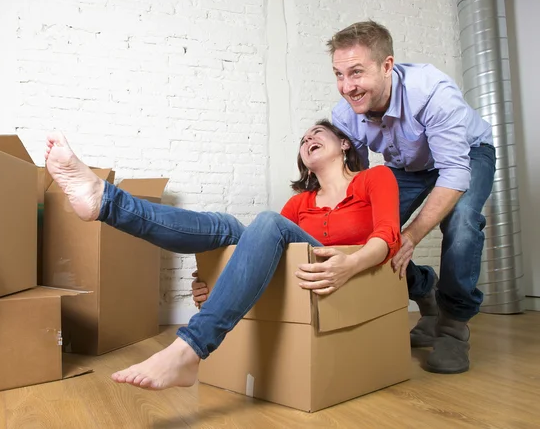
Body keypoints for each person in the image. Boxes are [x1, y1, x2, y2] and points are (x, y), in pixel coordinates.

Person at [44, 119, 401, 390]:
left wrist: (350, 264)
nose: (308, 139)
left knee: (268, 223)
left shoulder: (375, 178)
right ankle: (106, 202)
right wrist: (216, 279)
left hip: (347, 273)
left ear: (343, 143)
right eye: (303, 140)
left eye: (317, 133)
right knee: (227, 226)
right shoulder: (299, 203)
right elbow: (268, 256)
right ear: (305, 164)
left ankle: (190, 349)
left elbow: (388, 235)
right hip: (308, 275)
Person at [325, 20, 496, 374]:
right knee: (361, 227)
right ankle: (424, 289)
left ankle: (452, 327)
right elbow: (352, 183)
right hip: (407, 166)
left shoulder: (433, 92)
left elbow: (453, 173)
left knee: (462, 222)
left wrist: (410, 236)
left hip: (465, 155)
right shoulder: (346, 115)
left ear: (387, 65)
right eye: (339, 75)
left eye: (356, 72)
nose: (347, 87)